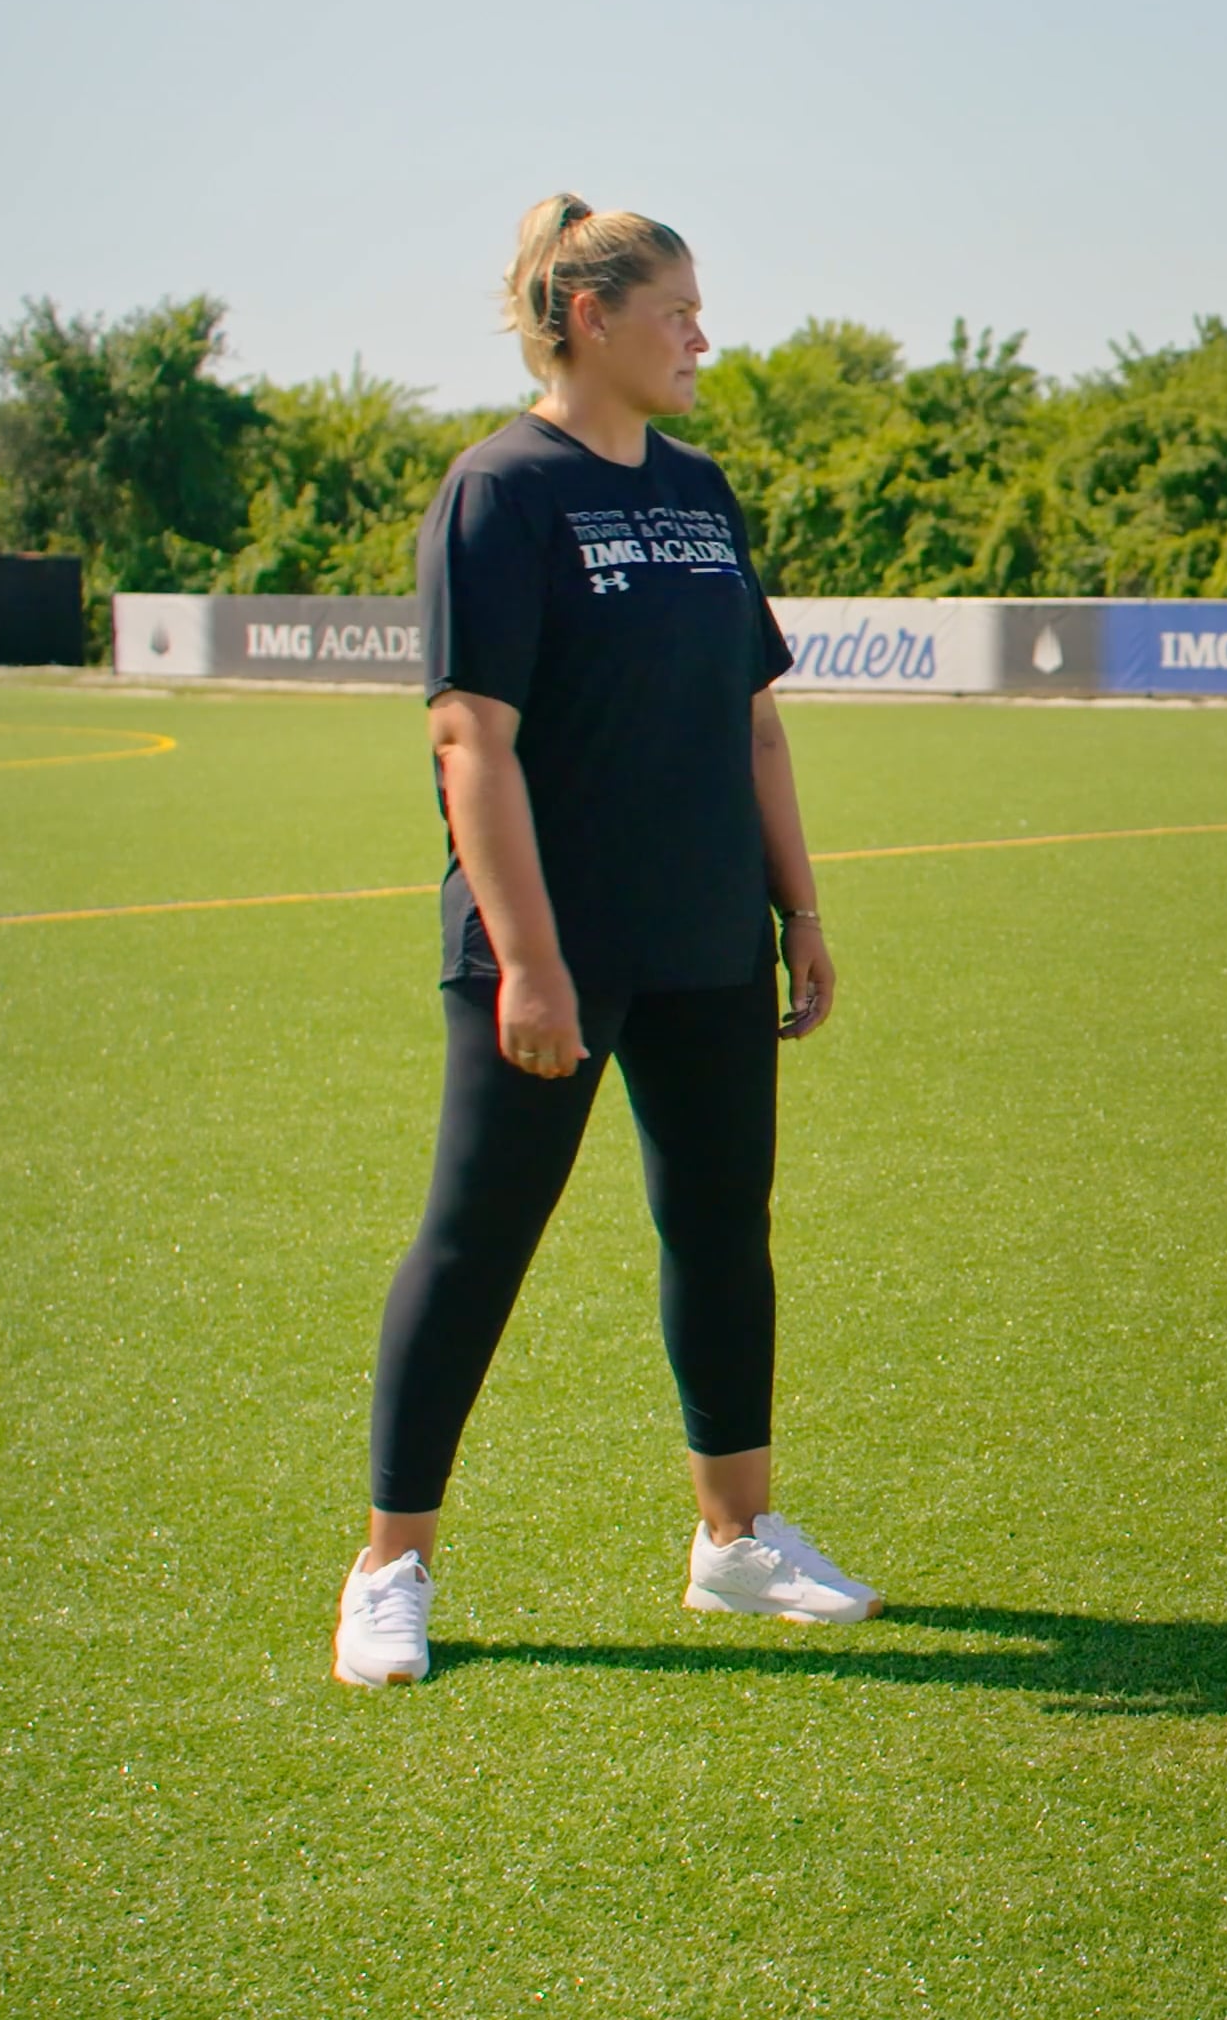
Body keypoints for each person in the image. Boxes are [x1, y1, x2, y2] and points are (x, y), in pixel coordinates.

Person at [333, 194, 873, 1689]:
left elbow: (755, 722)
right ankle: (392, 1564)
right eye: (677, 308)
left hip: (709, 935)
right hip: (552, 956)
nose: (704, 334)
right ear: (587, 318)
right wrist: (531, 958)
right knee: (476, 1244)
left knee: (721, 1233)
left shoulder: (702, 491)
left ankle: (737, 1542)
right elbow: (471, 742)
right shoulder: (499, 492)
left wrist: (801, 910)